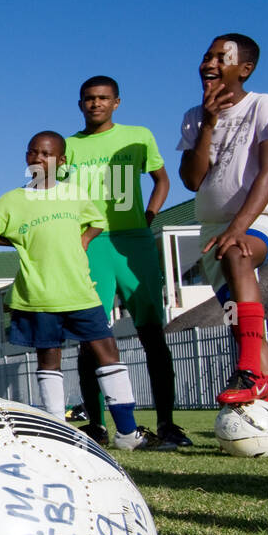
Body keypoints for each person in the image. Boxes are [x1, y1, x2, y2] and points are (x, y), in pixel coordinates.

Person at [0, 132, 153, 449]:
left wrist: (85, 239)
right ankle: (56, 429)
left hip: (81, 291)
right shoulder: (12, 200)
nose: (38, 158)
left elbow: (96, 221)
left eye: (47, 154)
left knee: (107, 352)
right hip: (38, 295)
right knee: (48, 359)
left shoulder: (75, 195)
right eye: (33, 152)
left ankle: (127, 432)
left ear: (61, 160)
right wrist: (17, 240)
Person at [65, 76, 188, 449]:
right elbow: (44, 192)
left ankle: (167, 423)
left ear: (116, 102)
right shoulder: (67, 145)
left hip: (133, 241)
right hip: (88, 243)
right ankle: (97, 426)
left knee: (152, 332)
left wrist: (148, 216)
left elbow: (161, 180)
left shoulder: (139, 136)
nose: (95, 104)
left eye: (103, 98)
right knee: (92, 338)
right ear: (81, 103)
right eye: (88, 99)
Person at [177, 34, 268, 406]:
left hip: (262, 216)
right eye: (207, 56)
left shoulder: (265, 105)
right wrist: (208, 123)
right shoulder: (193, 117)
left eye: (222, 57)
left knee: (238, 252)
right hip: (212, 230)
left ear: (245, 69)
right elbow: (192, 180)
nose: (210, 63)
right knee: (240, 323)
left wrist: (238, 228)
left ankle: (250, 373)